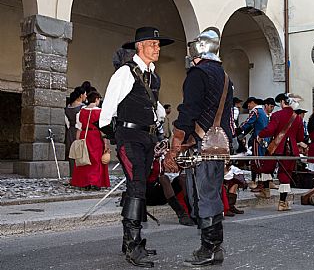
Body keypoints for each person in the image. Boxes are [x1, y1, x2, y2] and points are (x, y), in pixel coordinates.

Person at [99, 26, 174, 268]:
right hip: (129, 138)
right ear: (139, 46)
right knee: (137, 186)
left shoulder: (154, 76)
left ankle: (131, 241)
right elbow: (106, 114)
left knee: (138, 187)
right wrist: (120, 138)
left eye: (158, 44)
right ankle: (132, 245)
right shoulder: (124, 73)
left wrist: (158, 127)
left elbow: (156, 109)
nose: (158, 48)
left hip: (147, 140)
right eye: (153, 44)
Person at [163, 27, 233, 267]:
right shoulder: (224, 75)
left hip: (202, 145)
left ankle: (210, 249)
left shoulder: (198, 73)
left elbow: (188, 110)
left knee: (203, 197)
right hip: (218, 143)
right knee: (210, 195)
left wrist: (176, 143)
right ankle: (213, 247)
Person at [257, 93, 304, 211]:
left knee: (267, 166)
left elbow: (270, 130)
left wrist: (260, 134)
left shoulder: (276, 115)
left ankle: (266, 191)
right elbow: (300, 138)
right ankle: (282, 203)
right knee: (285, 174)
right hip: (291, 149)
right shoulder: (298, 118)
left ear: (283, 102)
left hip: (276, 146)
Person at [71, 91, 110, 190]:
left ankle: (85, 182)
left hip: (84, 135)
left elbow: (79, 128)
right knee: (96, 160)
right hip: (96, 136)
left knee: (84, 158)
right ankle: (95, 182)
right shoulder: (101, 112)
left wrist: (77, 142)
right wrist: (106, 144)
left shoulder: (81, 112)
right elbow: (103, 130)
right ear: (96, 99)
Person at [238, 97, 269, 192]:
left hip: (258, 139)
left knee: (257, 160)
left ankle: (260, 184)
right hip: (265, 138)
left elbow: (248, 122)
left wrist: (239, 130)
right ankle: (263, 183)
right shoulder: (263, 112)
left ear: (252, 102)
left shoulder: (256, 111)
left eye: (249, 104)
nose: (248, 106)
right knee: (263, 160)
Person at [64, 87, 87, 176]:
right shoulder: (82, 107)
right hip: (80, 131)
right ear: (81, 95)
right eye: (85, 94)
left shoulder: (68, 107)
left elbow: (67, 122)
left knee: (71, 154)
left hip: (70, 131)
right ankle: (80, 176)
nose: (86, 96)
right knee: (81, 153)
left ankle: (72, 175)